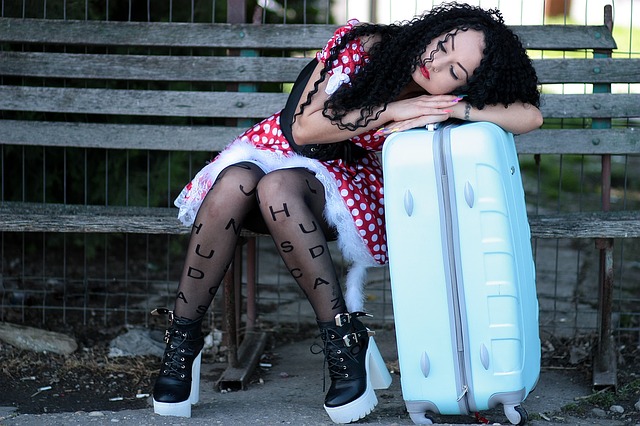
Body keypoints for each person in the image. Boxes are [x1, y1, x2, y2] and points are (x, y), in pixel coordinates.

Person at [151, 2, 543, 423]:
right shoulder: (365, 46)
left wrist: (453, 108)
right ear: (433, 29)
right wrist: (393, 111)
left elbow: (530, 115)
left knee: (278, 188)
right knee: (238, 181)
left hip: (340, 189)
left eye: (455, 71)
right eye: (442, 45)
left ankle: (342, 337)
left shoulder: (444, 96)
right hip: (273, 154)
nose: (437, 63)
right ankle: (183, 342)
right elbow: (303, 129)